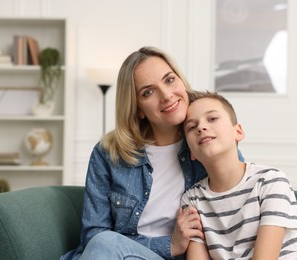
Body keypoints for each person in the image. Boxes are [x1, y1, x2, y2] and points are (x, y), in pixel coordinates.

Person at [62, 47, 243, 260]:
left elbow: (238, 216)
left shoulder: (210, 142)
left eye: (169, 80)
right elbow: (94, 237)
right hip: (117, 256)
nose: (166, 95)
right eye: (148, 92)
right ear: (137, 107)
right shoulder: (109, 153)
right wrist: (170, 245)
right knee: (103, 243)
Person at [181, 91, 297, 259]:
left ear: (239, 132)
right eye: (192, 127)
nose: (201, 127)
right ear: (191, 151)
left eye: (212, 118)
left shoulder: (270, 181)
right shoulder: (192, 199)